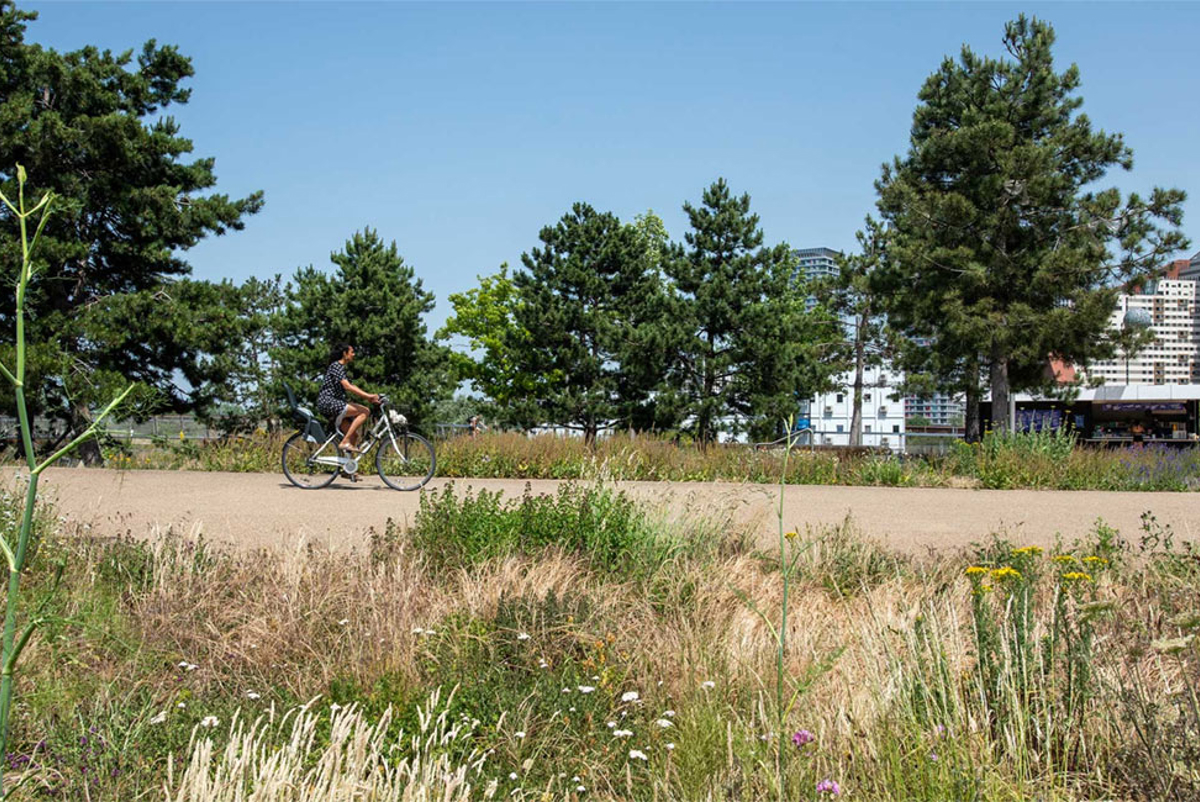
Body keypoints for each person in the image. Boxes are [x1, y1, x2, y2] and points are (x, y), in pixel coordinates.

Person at [316, 343, 379, 453]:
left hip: (334, 403)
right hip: (329, 402)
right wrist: (368, 396)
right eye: (352, 352)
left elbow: (353, 386)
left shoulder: (341, 369)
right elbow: (347, 386)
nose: (354, 354)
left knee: (353, 435)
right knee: (365, 411)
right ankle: (344, 442)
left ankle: (348, 466)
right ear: (345, 354)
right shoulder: (336, 366)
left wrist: (369, 398)